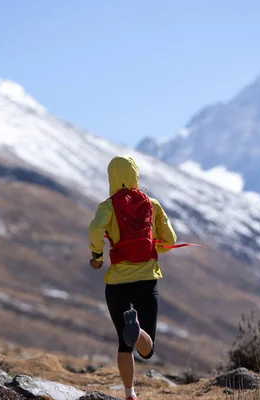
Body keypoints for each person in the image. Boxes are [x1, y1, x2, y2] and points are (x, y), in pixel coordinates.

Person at [88, 155, 177, 400]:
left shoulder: (106, 207)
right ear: (135, 175)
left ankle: (129, 393)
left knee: (123, 343)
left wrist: (97, 255)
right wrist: (152, 248)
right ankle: (137, 330)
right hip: (146, 281)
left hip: (116, 284)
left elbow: (95, 229)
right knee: (146, 349)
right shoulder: (153, 204)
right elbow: (170, 240)